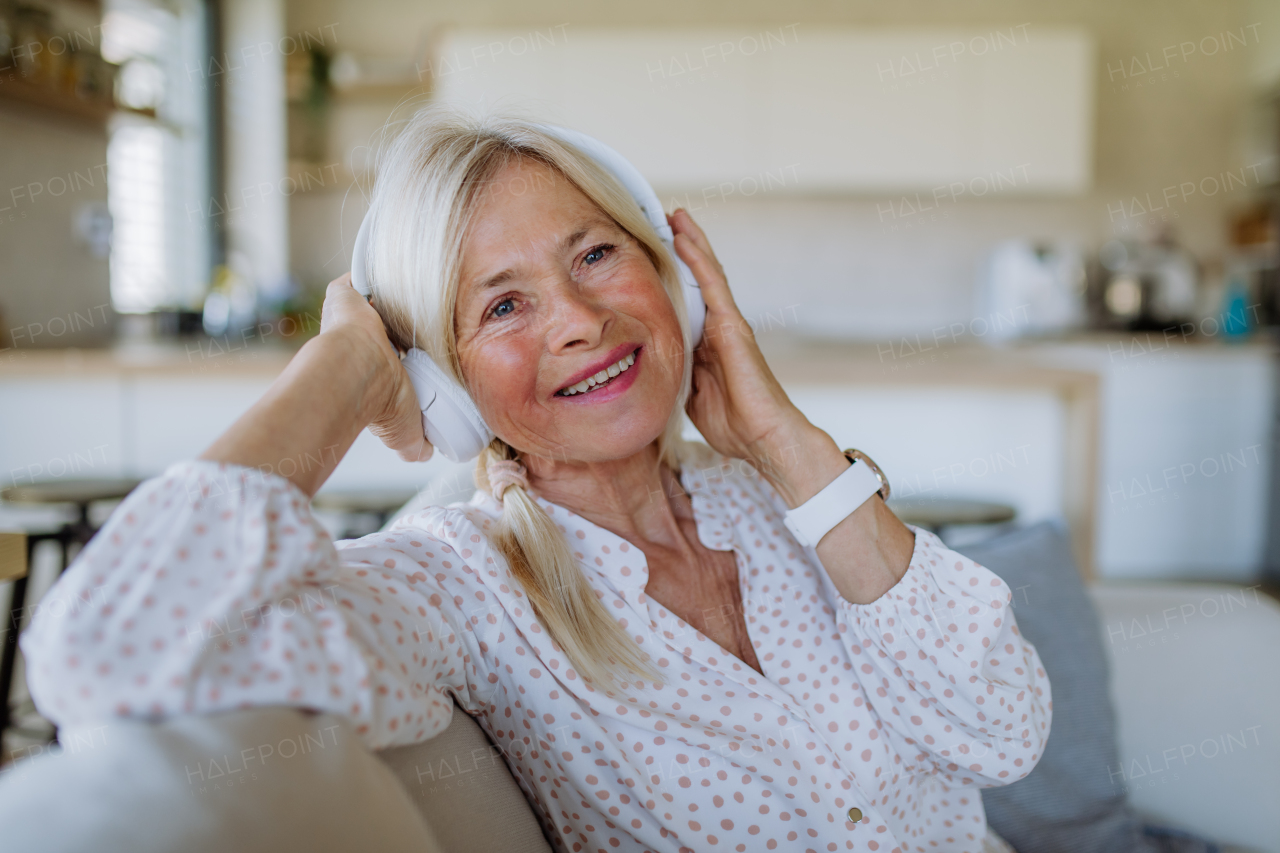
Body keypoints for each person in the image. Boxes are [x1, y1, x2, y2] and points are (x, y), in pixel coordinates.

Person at [21, 109, 1050, 853]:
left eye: (596, 254)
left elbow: (1003, 728)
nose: (576, 318)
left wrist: (785, 442)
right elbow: (110, 649)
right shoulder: (463, 584)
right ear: (444, 381)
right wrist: (343, 372)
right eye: (501, 307)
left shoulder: (780, 503)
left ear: (677, 282)